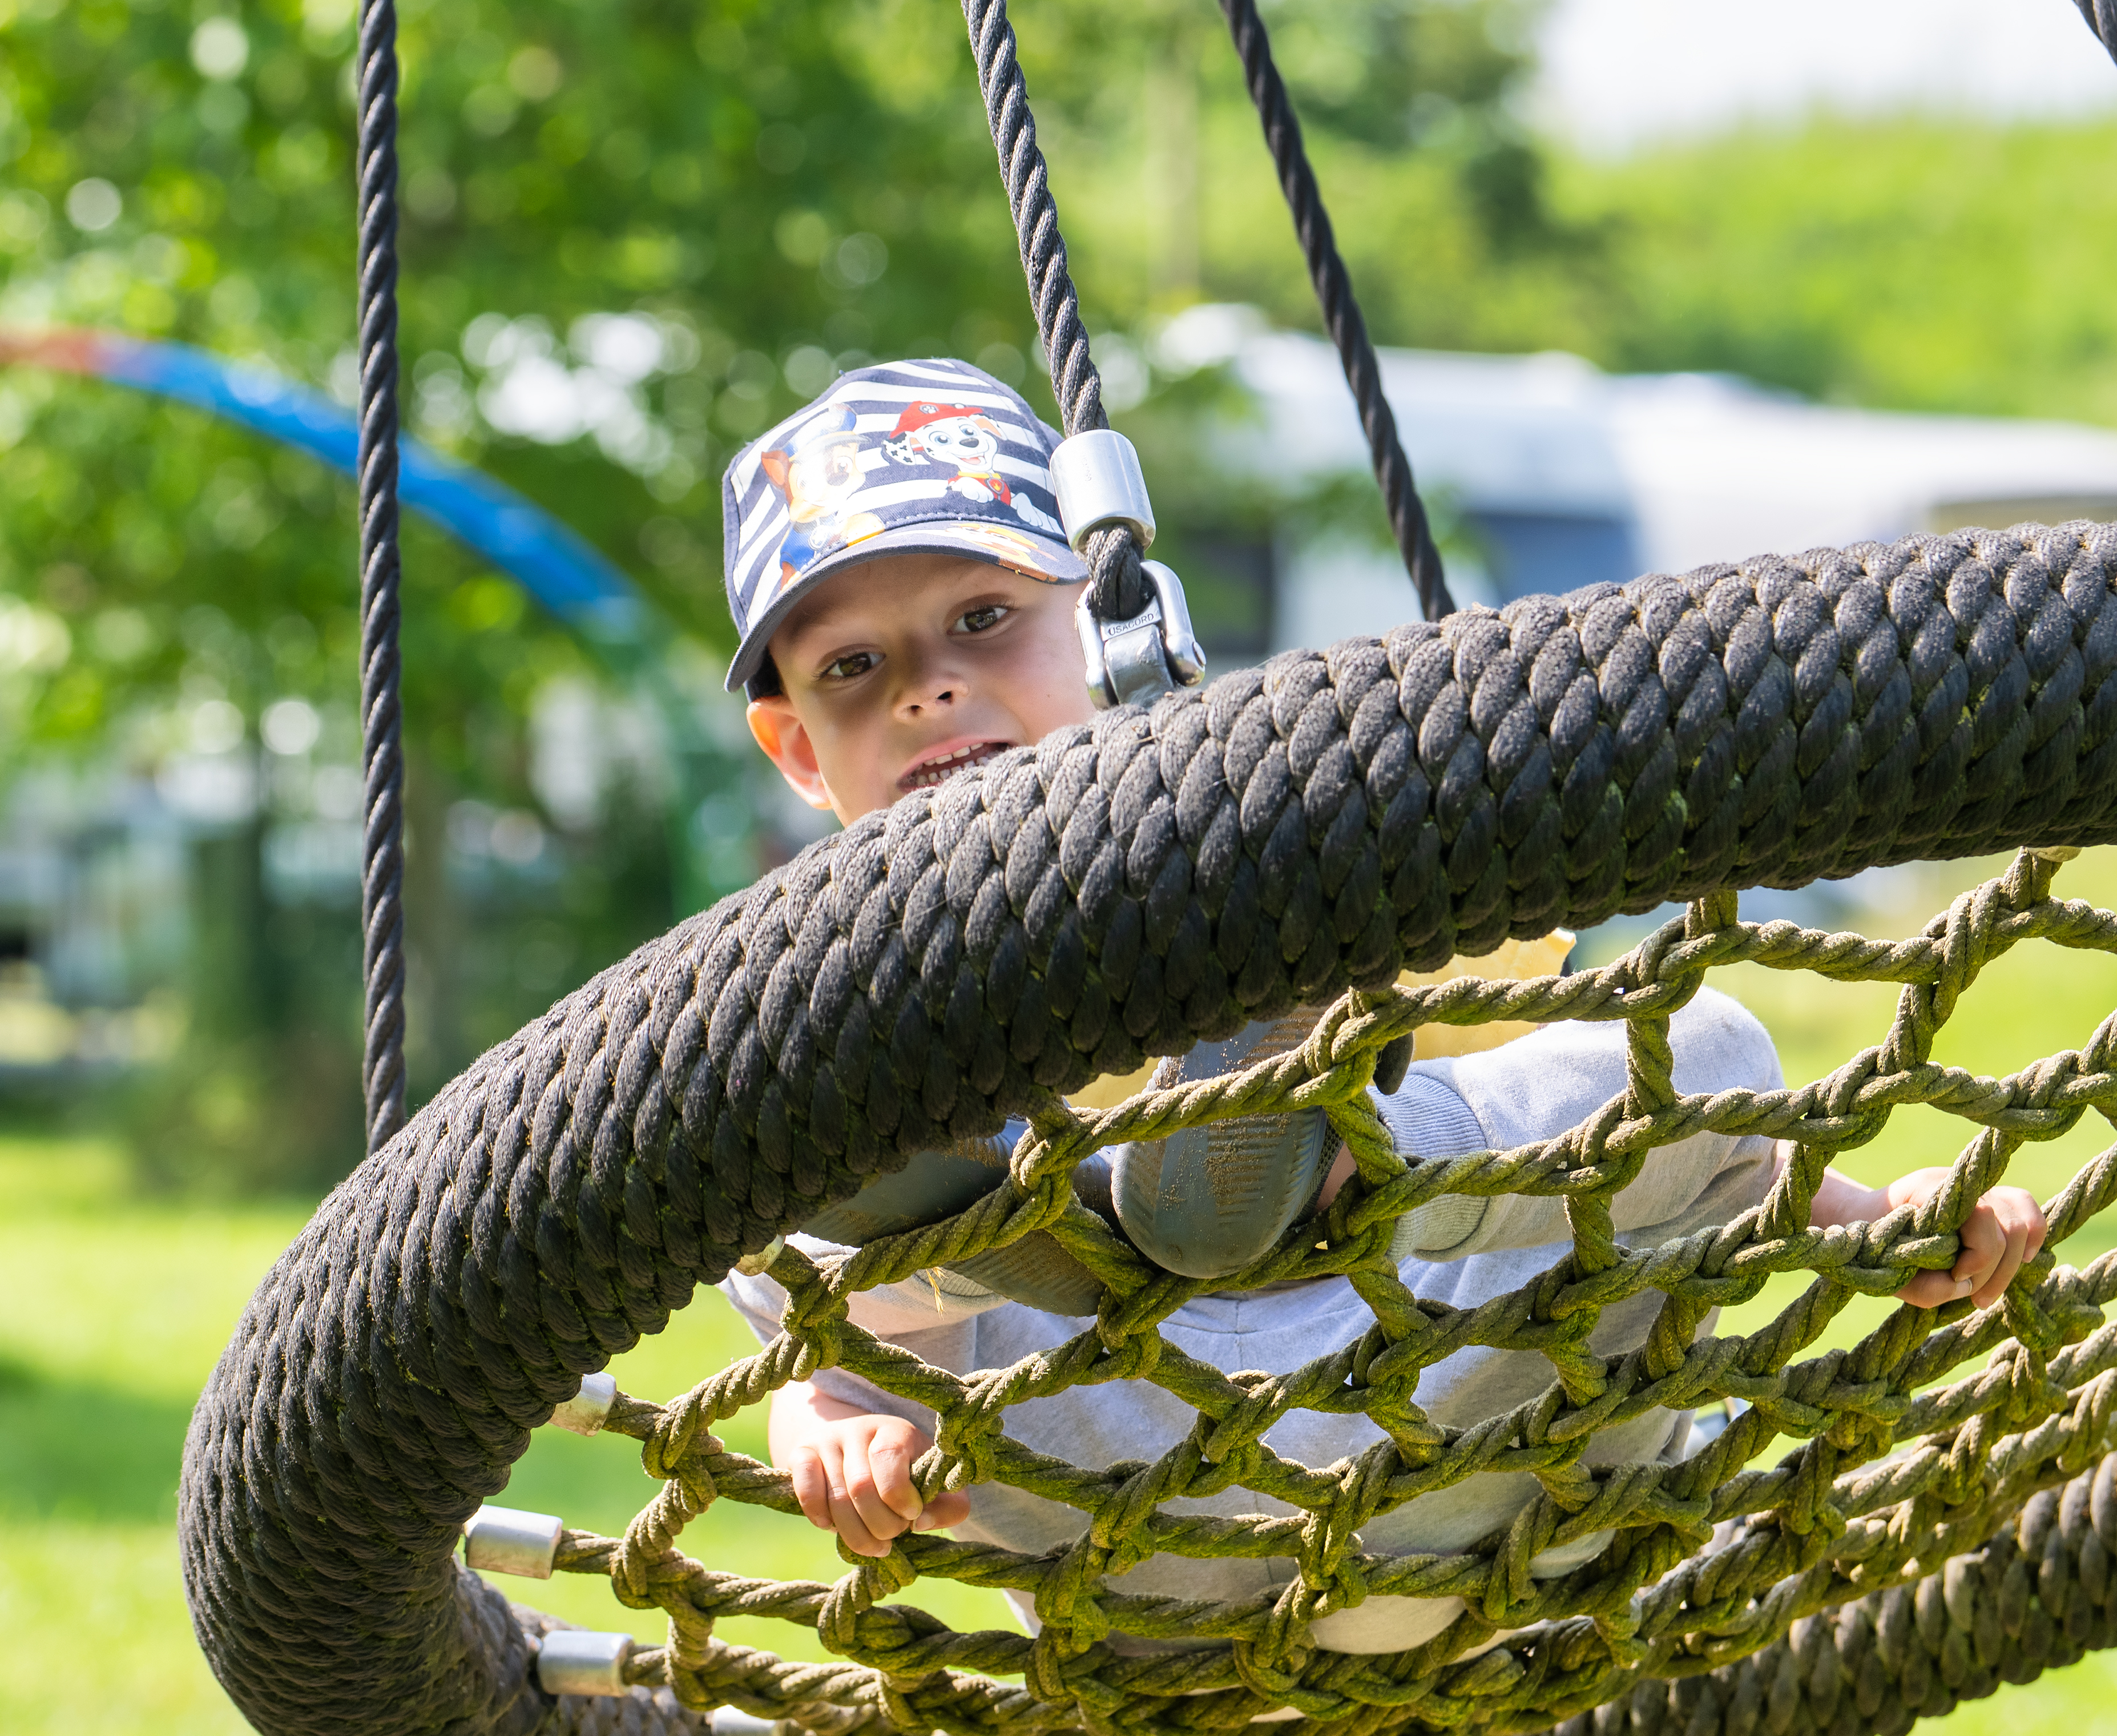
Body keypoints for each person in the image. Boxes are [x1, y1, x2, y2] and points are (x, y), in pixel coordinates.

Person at [716, 359, 2047, 1651]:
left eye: (983, 619)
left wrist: (1871, 1222)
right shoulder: (837, 1007)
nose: (924, 688)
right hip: (1150, 1536)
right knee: (788, 1183)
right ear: (795, 751)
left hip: (1495, 1460)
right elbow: (813, 1369)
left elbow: (1632, 1142)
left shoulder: (1288, 840)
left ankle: (1281, 1157)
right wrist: (830, 1434)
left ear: (1127, 621)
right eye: (849, 670)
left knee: (1684, 1044)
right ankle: (1065, 1219)